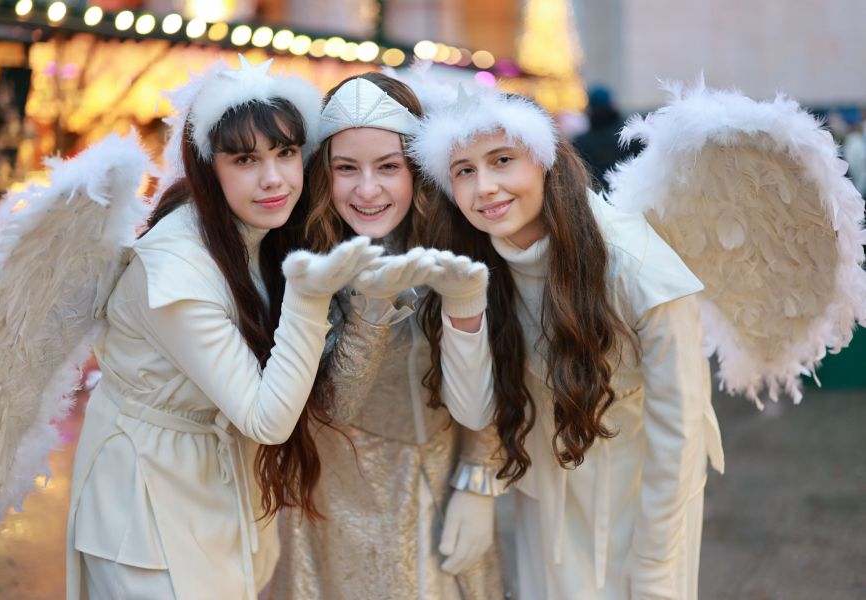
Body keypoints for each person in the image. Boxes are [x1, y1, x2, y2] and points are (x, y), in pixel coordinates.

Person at [65, 58, 387, 600]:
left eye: (286, 153)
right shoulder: (174, 269)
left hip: (220, 485)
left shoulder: (255, 235)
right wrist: (309, 296)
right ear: (209, 167)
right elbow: (267, 419)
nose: (274, 178)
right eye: (246, 159)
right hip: (143, 504)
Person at [410, 88, 724, 599]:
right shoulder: (475, 262)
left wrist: (655, 563)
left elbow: (682, 435)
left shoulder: (635, 263)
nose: (484, 187)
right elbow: (474, 409)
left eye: (502, 160)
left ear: (544, 159)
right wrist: (463, 304)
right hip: (547, 496)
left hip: (639, 499)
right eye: (463, 170)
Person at [269, 73, 505, 599]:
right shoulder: (303, 256)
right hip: (336, 498)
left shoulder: (459, 235)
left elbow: (502, 361)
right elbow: (335, 404)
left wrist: (480, 475)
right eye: (346, 168)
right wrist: (372, 308)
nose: (368, 189)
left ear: (416, 172)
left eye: (388, 167)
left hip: (444, 480)